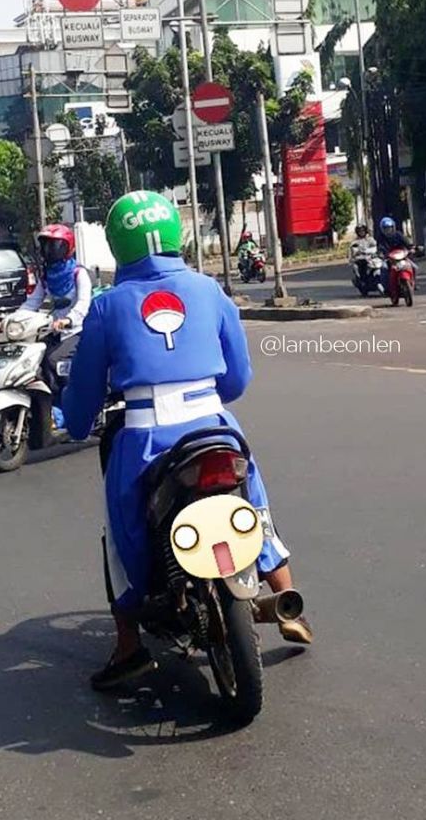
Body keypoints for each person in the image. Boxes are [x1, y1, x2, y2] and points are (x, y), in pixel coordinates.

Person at [61, 191, 313, 691]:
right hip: (215, 427)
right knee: (254, 507)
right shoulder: (209, 290)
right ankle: (287, 598)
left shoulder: (107, 307)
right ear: (176, 234)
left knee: (120, 531)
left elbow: (84, 394)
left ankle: (129, 644)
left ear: (117, 245)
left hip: (143, 440)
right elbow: (237, 378)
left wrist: (73, 420)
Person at [0, 224, 92, 430]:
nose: (49, 251)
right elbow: (32, 303)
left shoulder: (78, 273)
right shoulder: (47, 276)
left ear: (67, 248)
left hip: (77, 330)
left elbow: (83, 304)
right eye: (46, 246)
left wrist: (68, 320)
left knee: (54, 361)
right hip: (54, 330)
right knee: (34, 362)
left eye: (54, 246)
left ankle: (68, 411)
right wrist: (8, 321)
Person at [376, 216, 415, 292]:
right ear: (382, 229)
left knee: (413, 266)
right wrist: (381, 254)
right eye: (386, 229)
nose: (388, 230)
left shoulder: (398, 235)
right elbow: (380, 247)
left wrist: (412, 248)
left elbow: (407, 243)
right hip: (389, 258)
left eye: (390, 228)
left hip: (401, 256)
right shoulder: (381, 238)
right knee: (384, 268)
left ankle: (413, 282)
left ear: (393, 227)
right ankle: (386, 287)